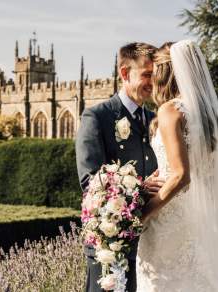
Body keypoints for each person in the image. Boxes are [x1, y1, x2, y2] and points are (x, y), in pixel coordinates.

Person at [135, 40, 218, 292]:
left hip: (168, 218)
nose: (151, 81)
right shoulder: (207, 115)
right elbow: (193, 165)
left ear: (165, 73)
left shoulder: (169, 110)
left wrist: (143, 214)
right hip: (197, 216)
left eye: (154, 72)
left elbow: (182, 175)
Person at [76, 42, 165, 292]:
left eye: (155, 75)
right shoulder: (97, 117)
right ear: (125, 73)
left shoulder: (155, 120)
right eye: (147, 74)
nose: (153, 82)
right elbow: (91, 182)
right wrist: (141, 189)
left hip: (151, 242)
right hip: (110, 242)